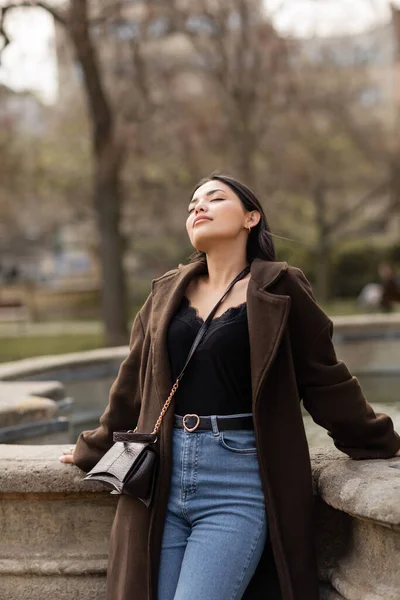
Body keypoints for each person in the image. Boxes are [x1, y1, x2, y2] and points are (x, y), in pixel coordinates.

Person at [59, 172, 400, 600]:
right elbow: (132, 385)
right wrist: (94, 447)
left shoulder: (281, 287)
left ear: (251, 217)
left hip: (237, 482)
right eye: (192, 205)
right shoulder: (165, 292)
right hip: (160, 480)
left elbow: (325, 378)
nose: (198, 207)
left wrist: (379, 439)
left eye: (214, 199)